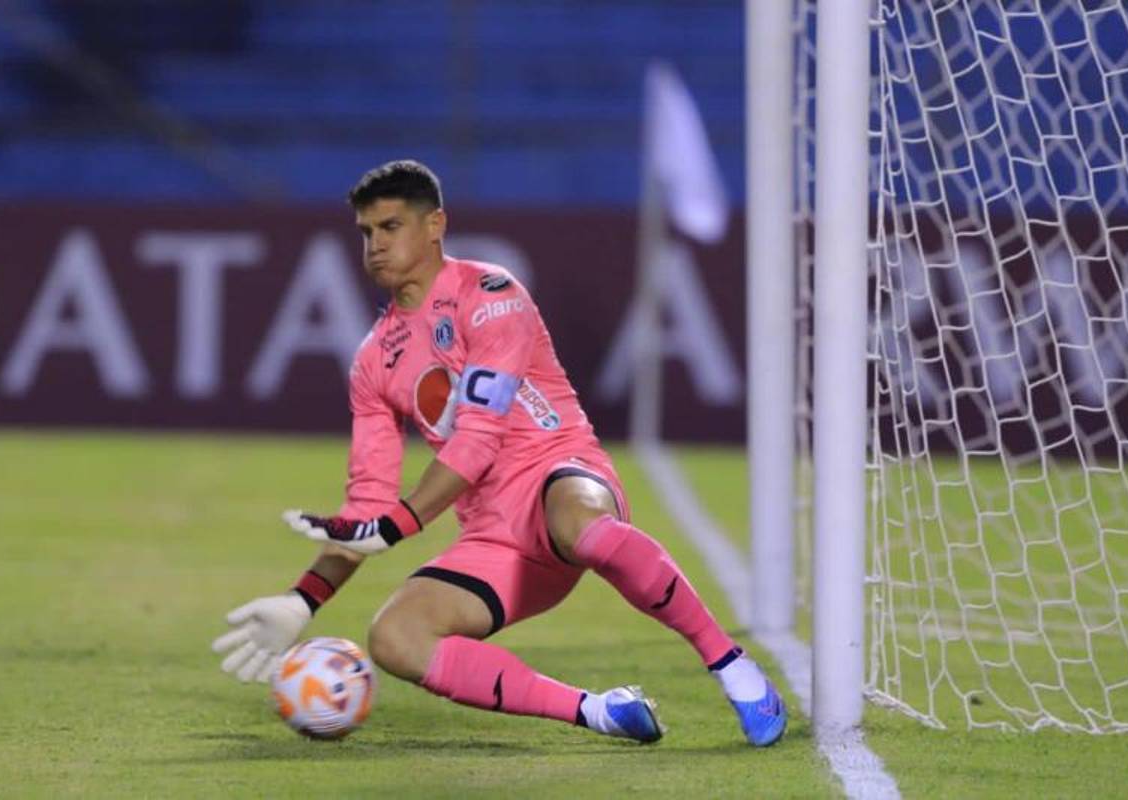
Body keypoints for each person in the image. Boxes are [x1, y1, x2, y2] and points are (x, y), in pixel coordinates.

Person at [211, 159, 787, 746]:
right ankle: (599, 711)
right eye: (366, 233)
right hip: (496, 539)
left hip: (560, 476)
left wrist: (399, 524)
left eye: (390, 227)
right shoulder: (372, 361)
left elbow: (479, 440)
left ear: (435, 225)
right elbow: (367, 507)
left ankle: (733, 667)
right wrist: (303, 600)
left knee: (585, 527)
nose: (376, 245)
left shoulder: (491, 294)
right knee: (394, 640)